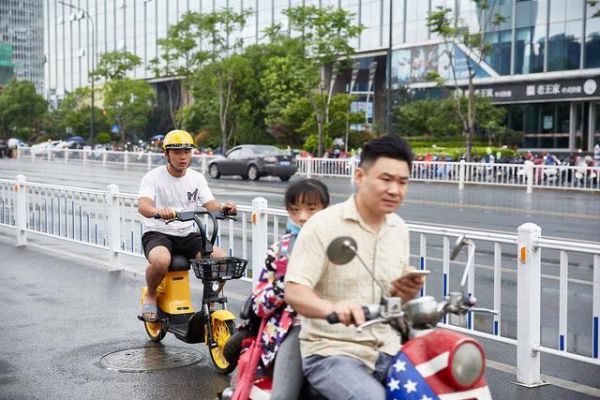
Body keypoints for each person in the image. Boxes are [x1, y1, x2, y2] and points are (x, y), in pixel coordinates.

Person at [285, 134, 424, 400]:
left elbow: (390, 302)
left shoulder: (399, 229)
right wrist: (332, 309)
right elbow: (295, 291)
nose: (394, 190)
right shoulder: (323, 224)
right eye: (386, 179)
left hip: (387, 347)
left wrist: (404, 293)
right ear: (359, 176)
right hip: (333, 351)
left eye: (402, 182)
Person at [138, 129, 236, 322]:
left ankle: (210, 302)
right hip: (158, 232)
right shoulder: (153, 177)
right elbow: (144, 206)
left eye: (187, 151)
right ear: (166, 154)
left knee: (222, 261)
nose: (183, 156)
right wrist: (158, 211)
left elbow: (211, 204)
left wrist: (225, 209)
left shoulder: (196, 178)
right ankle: (151, 294)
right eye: (177, 152)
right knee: (161, 261)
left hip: (187, 234)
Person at [249, 178, 330, 400]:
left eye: (311, 209)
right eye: (295, 210)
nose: (302, 217)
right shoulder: (279, 252)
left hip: (339, 327)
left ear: (326, 209)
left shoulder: (340, 246)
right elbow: (258, 304)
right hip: (296, 328)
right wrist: (286, 284)